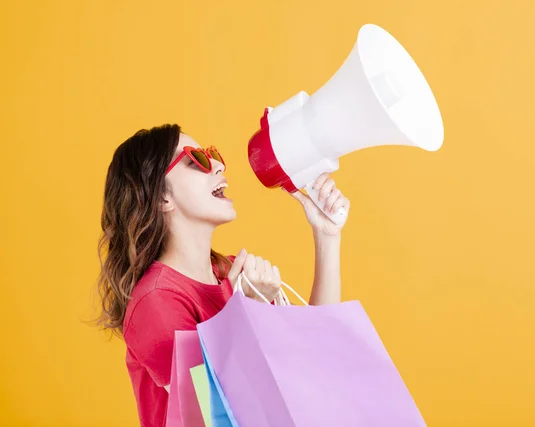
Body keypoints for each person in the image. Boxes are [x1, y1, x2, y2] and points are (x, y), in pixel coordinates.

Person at [95, 123, 350, 427]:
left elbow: (318, 354)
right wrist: (249, 311)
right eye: (196, 159)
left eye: (212, 154)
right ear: (162, 197)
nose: (218, 164)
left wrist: (326, 235)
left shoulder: (230, 274)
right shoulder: (155, 302)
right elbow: (210, 415)